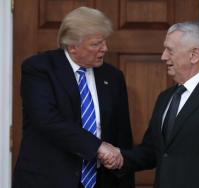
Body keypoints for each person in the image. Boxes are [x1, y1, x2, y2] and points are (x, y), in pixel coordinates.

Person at [102, 22, 199, 188]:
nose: (163, 56)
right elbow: (152, 151)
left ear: (194, 55)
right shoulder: (165, 98)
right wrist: (119, 157)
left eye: (170, 50)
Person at [12, 6, 134, 188]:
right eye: (96, 44)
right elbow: (46, 119)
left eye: (104, 42)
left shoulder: (113, 76)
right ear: (72, 46)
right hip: (48, 179)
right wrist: (97, 147)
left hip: (101, 180)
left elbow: (122, 133)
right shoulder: (40, 68)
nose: (105, 49)